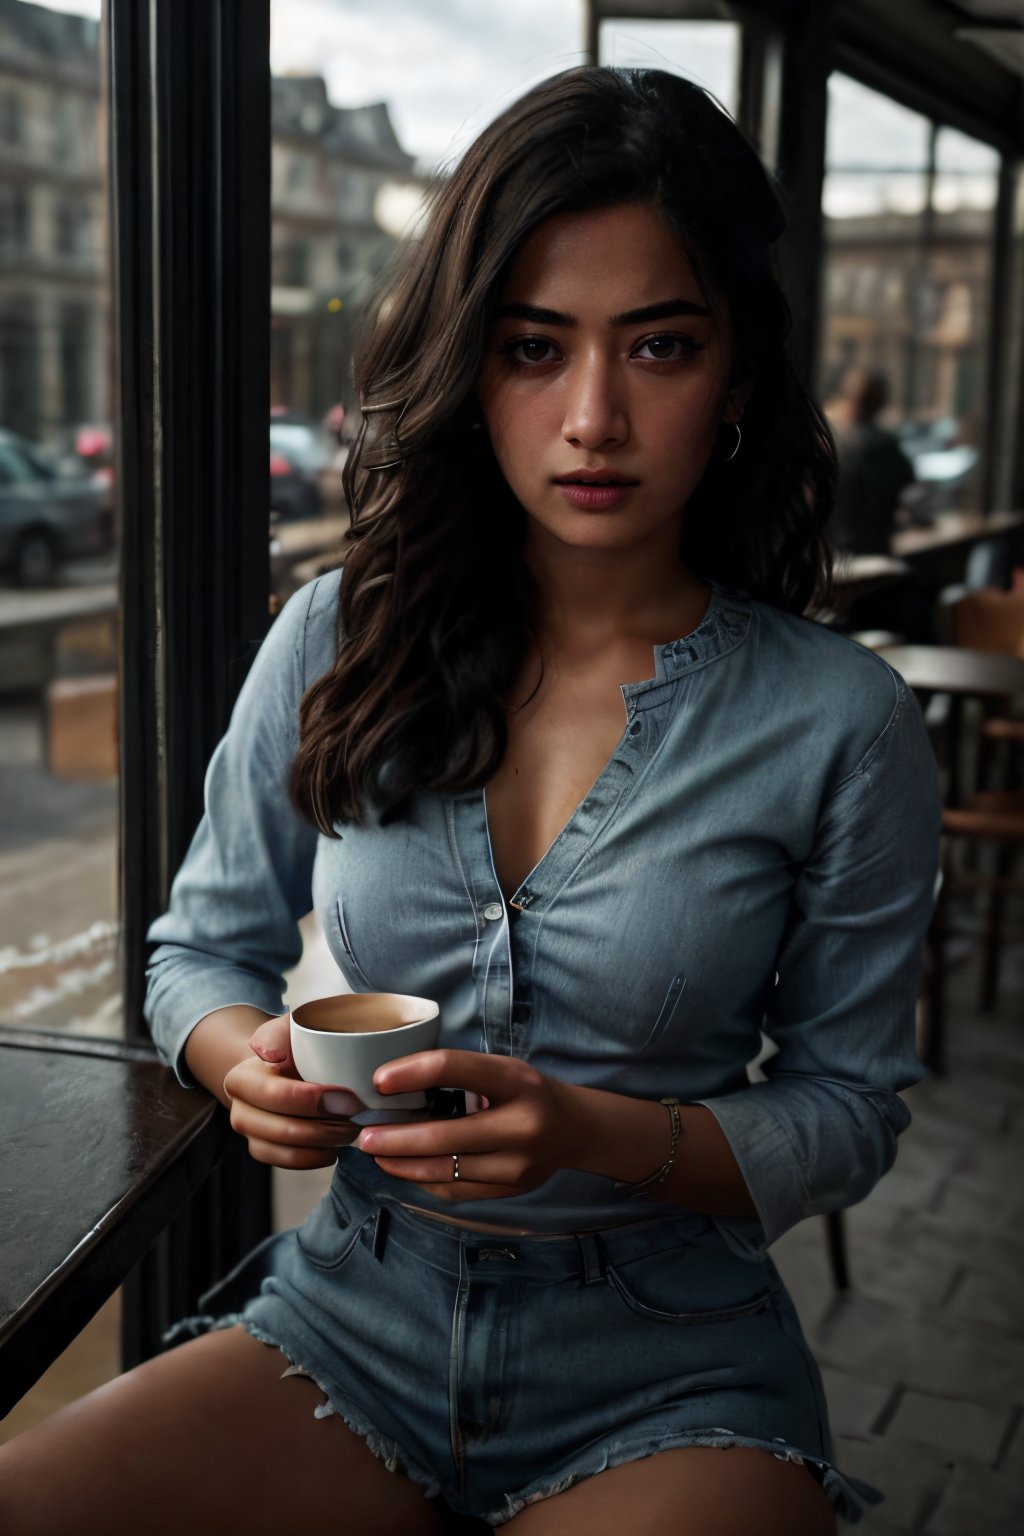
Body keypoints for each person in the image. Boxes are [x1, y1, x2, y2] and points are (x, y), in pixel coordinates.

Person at [0, 67, 940, 1536]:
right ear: (469, 366)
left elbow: (849, 1108)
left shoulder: (841, 722)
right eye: (533, 348)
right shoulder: (336, 634)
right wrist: (246, 1062)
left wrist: (591, 1132)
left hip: (667, 1362)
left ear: (740, 374)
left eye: (661, 346)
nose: (593, 418)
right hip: (352, 1317)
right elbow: (195, 954)